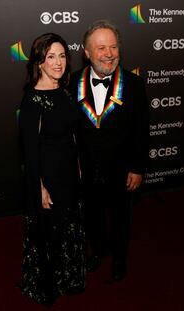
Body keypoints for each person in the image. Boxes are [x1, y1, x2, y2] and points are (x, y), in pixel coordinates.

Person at [69, 20, 149, 281]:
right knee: (91, 215)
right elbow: (67, 130)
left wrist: (137, 167)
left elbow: (141, 130)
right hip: (86, 169)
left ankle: (119, 258)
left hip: (122, 169)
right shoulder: (71, 83)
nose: (109, 54)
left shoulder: (135, 84)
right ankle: (98, 251)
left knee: (121, 217)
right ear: (87, 53)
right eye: (101, 48)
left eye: (113, 47)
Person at [17, 33, 85, 306]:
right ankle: (47, 285)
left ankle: (68, 278)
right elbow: (29, 153)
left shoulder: (65, 92)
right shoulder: (31, 102)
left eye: (62, 56)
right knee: (50, 234)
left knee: (69, 228)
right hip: (48, 177)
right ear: (39, 62)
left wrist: (78, 166)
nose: (58, 62)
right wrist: (40, 187)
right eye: (50, 57)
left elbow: (73, 135)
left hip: (69, 173)